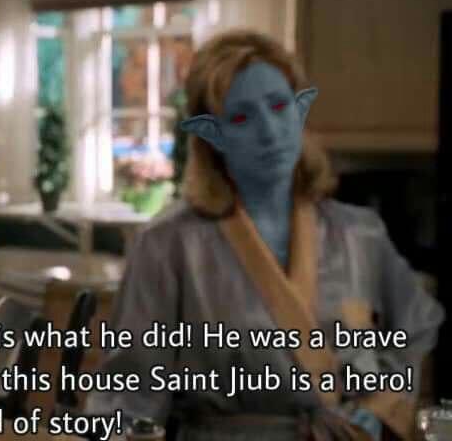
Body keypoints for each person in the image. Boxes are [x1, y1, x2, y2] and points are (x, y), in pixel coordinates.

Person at [86, 30, 444, 441]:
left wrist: (380, 408)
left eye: (278, 106)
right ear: (212, 135)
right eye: (242, 118)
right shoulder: (169, 246)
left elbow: (418, 323)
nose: (270, 132)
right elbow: (127, 393)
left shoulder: (357, 232)